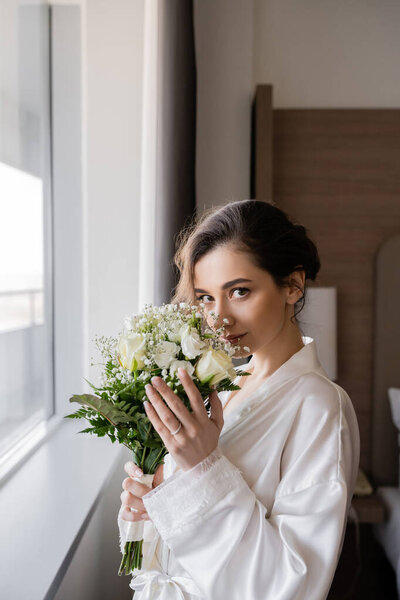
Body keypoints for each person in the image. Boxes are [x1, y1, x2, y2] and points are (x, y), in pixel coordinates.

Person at [118, 199, 360, 600]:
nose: (218, 319)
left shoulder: (320, 408)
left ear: (292, 285)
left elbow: (293, 585)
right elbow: (181, 536)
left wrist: (202, 468)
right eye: (206, 297)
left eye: (240, 292)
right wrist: (154, 501)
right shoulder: (225, 383)